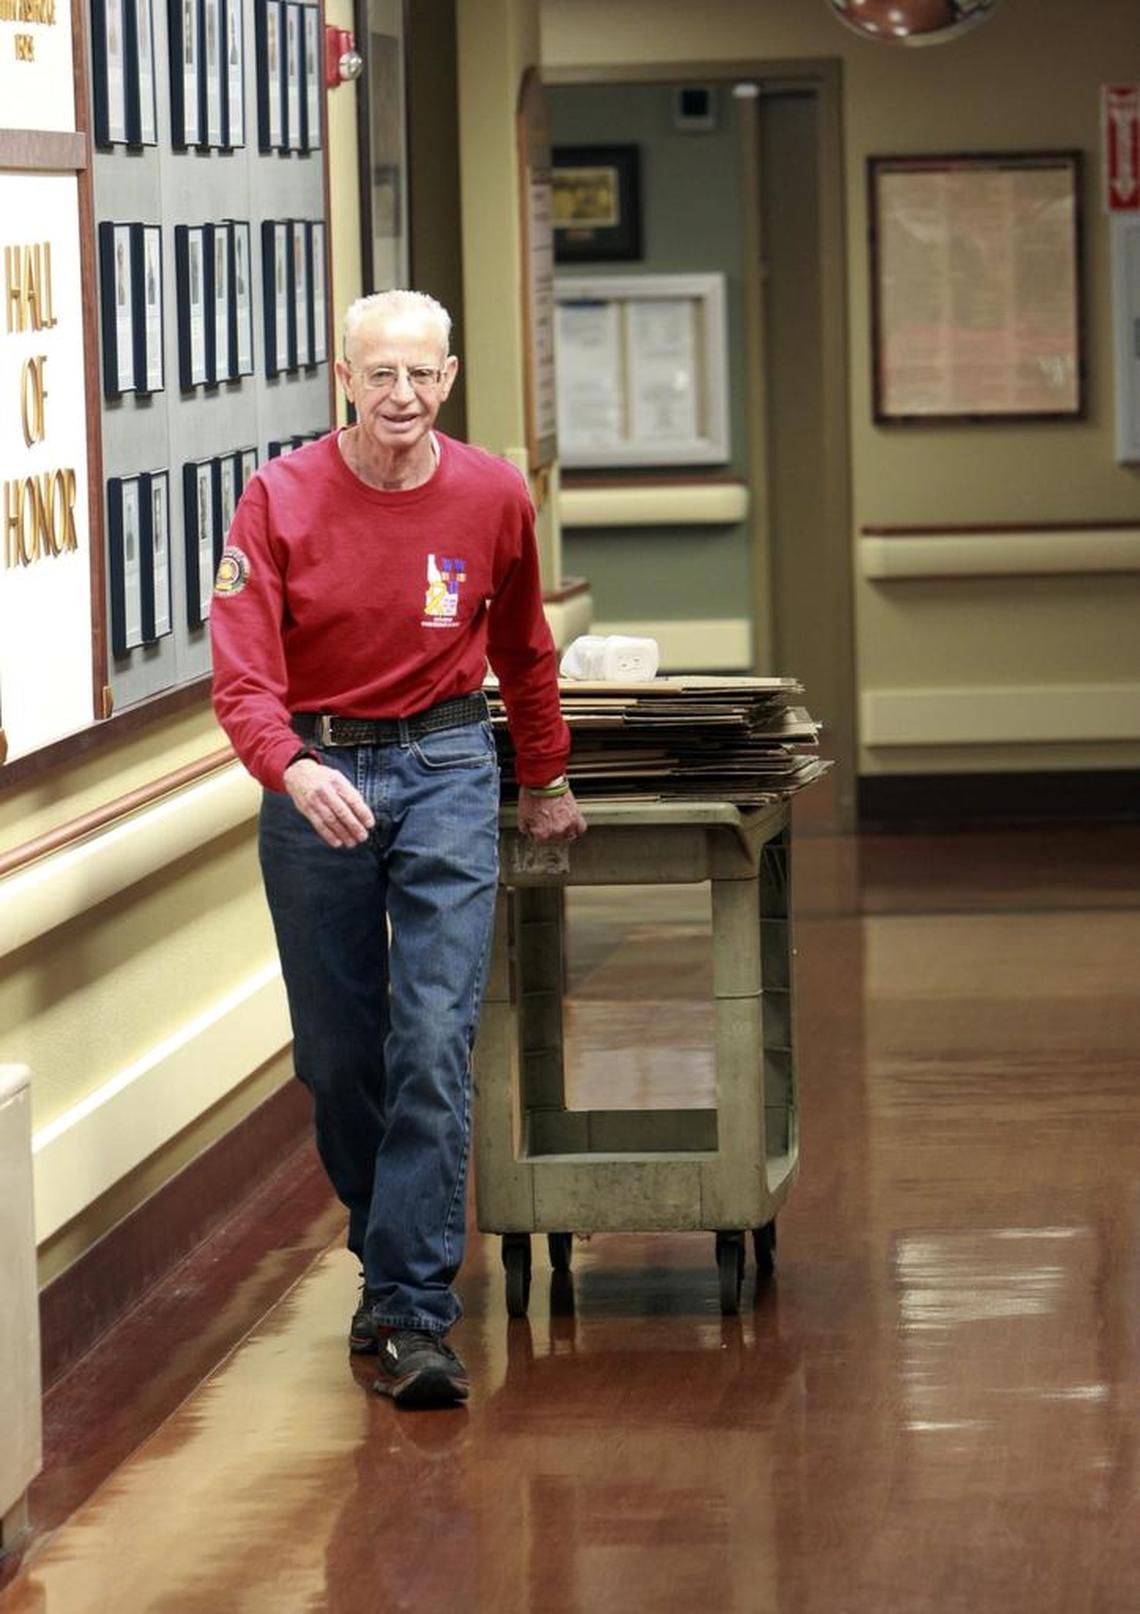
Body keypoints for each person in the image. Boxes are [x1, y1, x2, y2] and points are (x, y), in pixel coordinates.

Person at [210, 290, 585, 1407]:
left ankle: (415, 1309)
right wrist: (291, 767)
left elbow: (524, 647)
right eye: (380, 374)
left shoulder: (492, 493)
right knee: (338, 1057)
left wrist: (544, 774)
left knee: (432, 1035)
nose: (403, 396)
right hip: (316, 771)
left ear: (450, 378)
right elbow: (241, 676)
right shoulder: (278, 498)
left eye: (422, 375)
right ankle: (387, 1251)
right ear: (344, 378)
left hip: (447, 764)